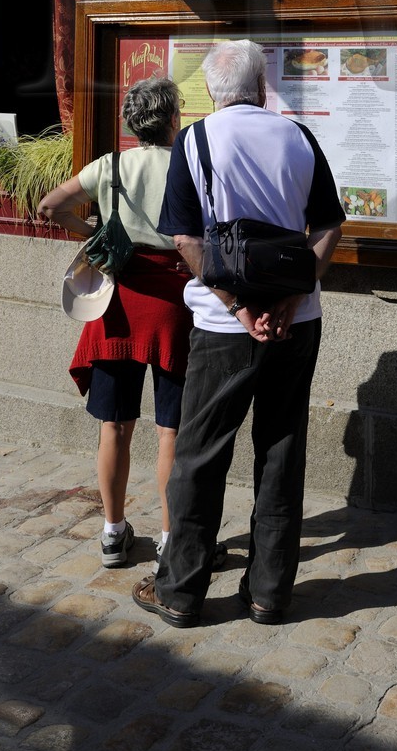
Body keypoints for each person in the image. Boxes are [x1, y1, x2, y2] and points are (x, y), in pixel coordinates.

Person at [131, 39, 343, 628]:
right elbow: (328, 225)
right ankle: (269, 592)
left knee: (200, 455)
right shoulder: (299, 138)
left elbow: (186, 239)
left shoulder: (195, 142)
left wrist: (239, 307)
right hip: (297, 323)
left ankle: (180, 590)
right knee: (281, 450)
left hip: (224, 326)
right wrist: (292, 297)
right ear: (262, 85)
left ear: (212, 89)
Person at [37, 76, 191, 571]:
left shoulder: (111, 165)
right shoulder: (189, 165)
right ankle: (170, 540)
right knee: (171, 431)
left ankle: (112, 533)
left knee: (114, 425)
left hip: (118, 301)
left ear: (132, 121)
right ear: (171, 119)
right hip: (173, 301)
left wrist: (95, 234)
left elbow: (49, 206)